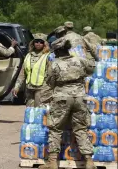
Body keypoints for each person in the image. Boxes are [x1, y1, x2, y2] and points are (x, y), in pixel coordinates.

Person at [39, 37, 96, 169]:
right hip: (80, 97)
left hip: (61, 98)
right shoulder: (80, 60)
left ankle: (52, 162)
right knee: (81, 128)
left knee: (55, 128)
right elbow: (91, 69)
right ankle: (89, 161)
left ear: (57, 51)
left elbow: (50, 83)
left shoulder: (54, 64)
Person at [12, 33, 52, 108]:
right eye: (36, 41)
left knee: (40, 112)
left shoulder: (48, 56)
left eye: (41, 42)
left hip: (42, 89)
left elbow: (51, 74)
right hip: (29, 88)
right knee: (30, 112)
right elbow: (22, 73)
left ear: (44, 44)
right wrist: (17, 86)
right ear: (33, 43)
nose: (38, 43)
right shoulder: (28, 55)